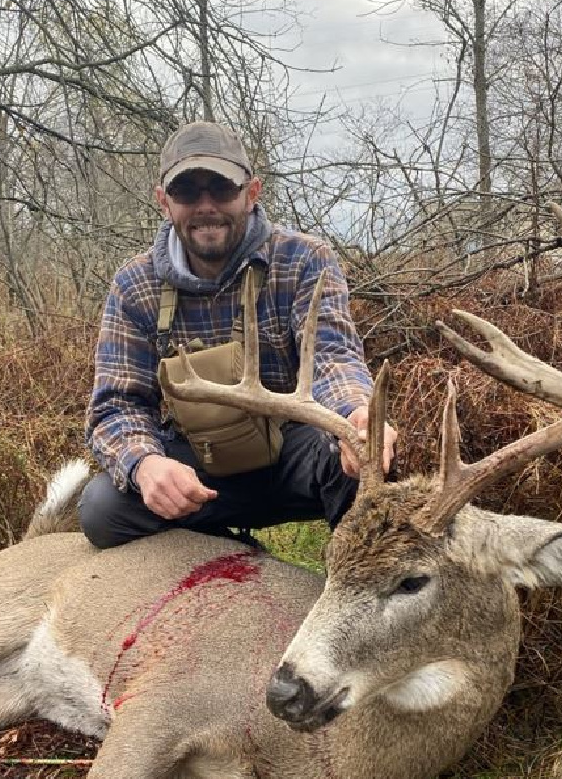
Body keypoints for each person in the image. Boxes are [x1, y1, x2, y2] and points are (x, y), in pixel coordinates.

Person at [79, 121, 397, 549]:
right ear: (163, 202)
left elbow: (331, 358)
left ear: (252, 193)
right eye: (187, 192)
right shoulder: (135, 284)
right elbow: (117, 404)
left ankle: (354, 597)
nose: (206, 206)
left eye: (222, 189)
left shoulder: (304, 259)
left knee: (367, 467)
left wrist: (356, 417)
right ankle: (226, 559)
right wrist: (146, 463)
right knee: (102, 510)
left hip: (294, 455)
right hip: (202, 474)